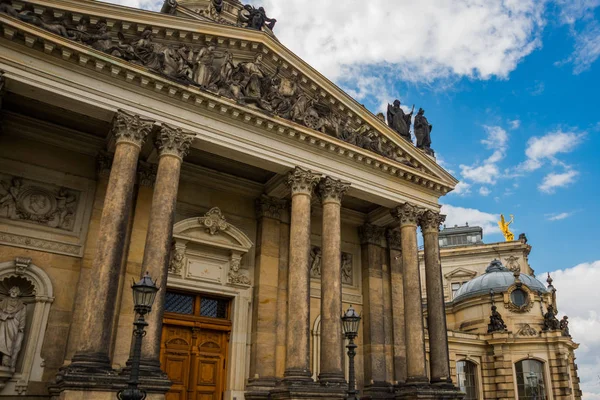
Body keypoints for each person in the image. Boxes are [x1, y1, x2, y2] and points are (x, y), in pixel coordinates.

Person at [0, 287, 26, 369]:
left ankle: (6, 360)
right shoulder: (3, 302)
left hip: (14, 325)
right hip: (2, 323)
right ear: (9, 291)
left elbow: (23, 316)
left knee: (10, 342)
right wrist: (5, 315)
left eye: (16, 291)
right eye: (12, 291)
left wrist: (21, 326)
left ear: (18, 293)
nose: (14, 292)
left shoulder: (21, 305)